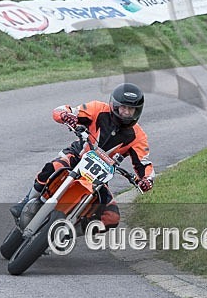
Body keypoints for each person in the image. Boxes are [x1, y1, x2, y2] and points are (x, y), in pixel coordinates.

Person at [9, 83, 154, 230]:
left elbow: (144, 164)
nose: (126, 113)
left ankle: (70, 232)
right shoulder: (97, 108)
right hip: (77, 157)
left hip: (100, 178)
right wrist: (66, 115)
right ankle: (27, 201)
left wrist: (146, 180)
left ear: (138, 111)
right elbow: (63, 110)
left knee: (112, 218)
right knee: (53, 167)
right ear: (114, 105)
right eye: (123, 107)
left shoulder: (139, 136)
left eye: (131, 109)